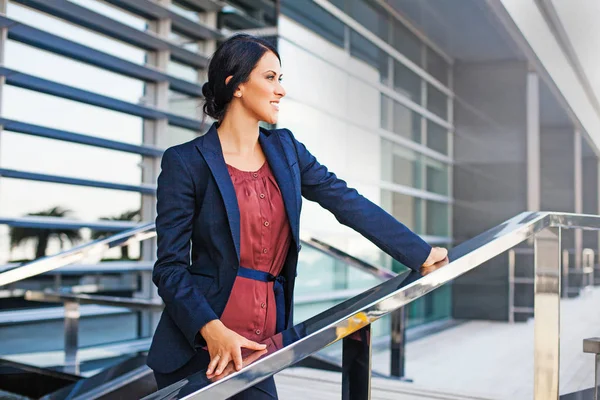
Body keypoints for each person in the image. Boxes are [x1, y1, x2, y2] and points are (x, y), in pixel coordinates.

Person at [146, 33, 448, 398]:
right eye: (270, 78)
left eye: (281, 79)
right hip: (200, 349)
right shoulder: (186, 161)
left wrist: (419, 253)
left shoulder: (286, 150)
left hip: (262, 348)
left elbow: (345, 201)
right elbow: (170, 268)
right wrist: (211, 329)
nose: (280, 90)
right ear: (236, 85)